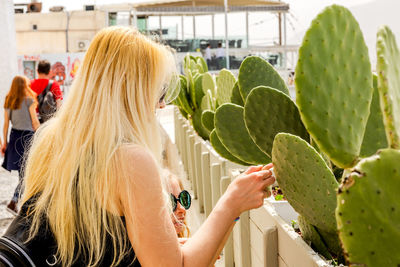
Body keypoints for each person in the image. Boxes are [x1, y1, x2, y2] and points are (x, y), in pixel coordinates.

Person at [4, 26, 274, 266]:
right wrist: (231, 203)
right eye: (159, 91)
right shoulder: (129, 160)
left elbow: (83, 242)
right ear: (130, 88)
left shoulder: (52, 141)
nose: (161, 105)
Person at [1, 75, 40, 215]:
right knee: (26, 173)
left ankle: (21, 202)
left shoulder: (9, 100)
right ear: (25, 85)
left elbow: (5, 124)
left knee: (23, 173)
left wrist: (4, 143)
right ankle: (16, 201)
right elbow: (34, 123)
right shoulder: (29, 100)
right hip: (28, 138)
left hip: (14, 136)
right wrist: (43, 135)